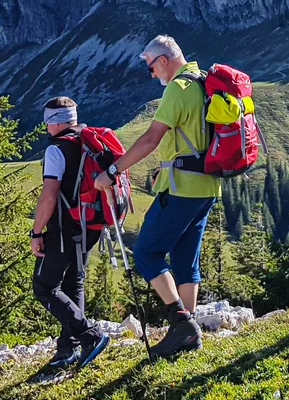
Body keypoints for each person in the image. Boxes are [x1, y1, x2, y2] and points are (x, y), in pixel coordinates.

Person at [94, 35, 221, 359]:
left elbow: (151, 138)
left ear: (163, 60)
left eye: (151, 67)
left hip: (181, 189)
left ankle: (181, 325)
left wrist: (113, 172)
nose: (152, 74)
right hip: (206, 185)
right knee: (185, 260)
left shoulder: (177, 90)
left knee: (147, 253)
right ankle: (188, 333)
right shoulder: (204, 81)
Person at [30, 96, 111, 370]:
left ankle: (91, 335)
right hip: (90, 225)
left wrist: (36, 231)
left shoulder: (56, 149)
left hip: (63, 229)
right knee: (73, 283)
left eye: (47, 121)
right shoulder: (88, 139)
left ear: (53, 121)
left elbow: (49, 196)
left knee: (44, 286)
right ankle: (67, 350)